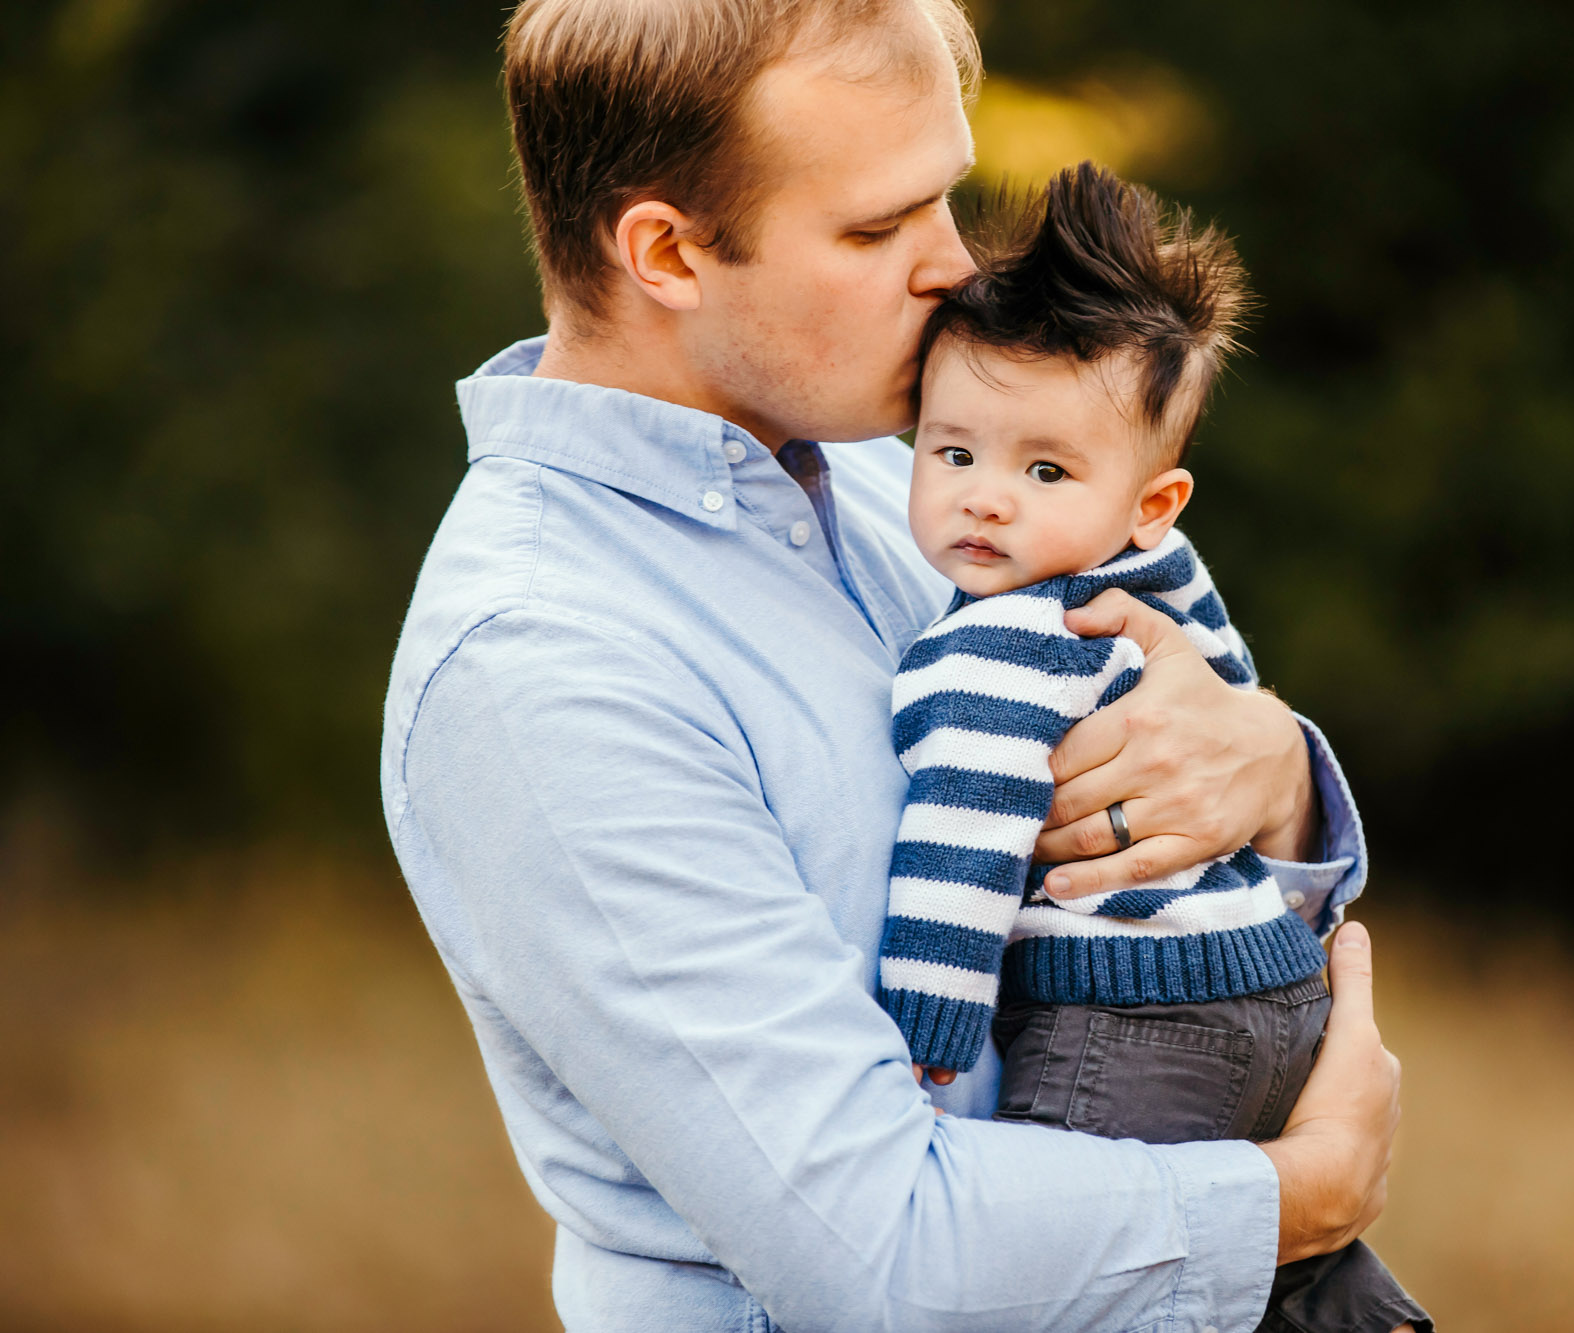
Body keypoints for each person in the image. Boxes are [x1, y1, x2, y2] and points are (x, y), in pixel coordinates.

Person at [379, 0, 1408, 1329]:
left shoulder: (914, 470)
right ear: (667, 251)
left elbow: (1179, 696)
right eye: (876, 229)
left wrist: (1269, 764)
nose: (954, 270)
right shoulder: (542, 664)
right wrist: (1297, 1200)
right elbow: (876, 1251)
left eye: (949, 201)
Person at [878, 161, 1432, 1333]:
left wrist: (926, 1027)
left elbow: (961, 848)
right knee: (1272, 1262)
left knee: (1069, 1263)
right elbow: (1231, 708)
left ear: (1152, 500)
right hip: (1274, 993)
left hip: (1126, 1015)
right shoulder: (1164, 581)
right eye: (951, 453)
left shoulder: (991, 643)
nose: (983, 501)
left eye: (1043, 471)